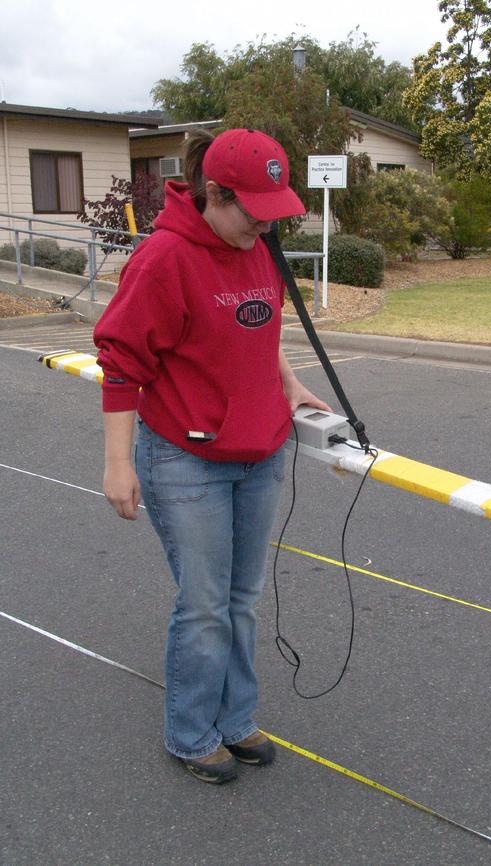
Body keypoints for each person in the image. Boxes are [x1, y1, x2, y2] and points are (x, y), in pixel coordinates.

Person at [93, 128, 331, 784]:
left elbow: (255, 325)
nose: (264, 226)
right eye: (253, 212)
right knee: (204, 603)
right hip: (185, 458)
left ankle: (237, 718)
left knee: (243, 597)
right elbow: (122, 363)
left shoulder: (257, 245)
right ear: (214, 192)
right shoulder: (166, 257)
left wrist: (289, 385)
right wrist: (119, 464)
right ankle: (192, 732)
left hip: (259, 451)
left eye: (273, 213)